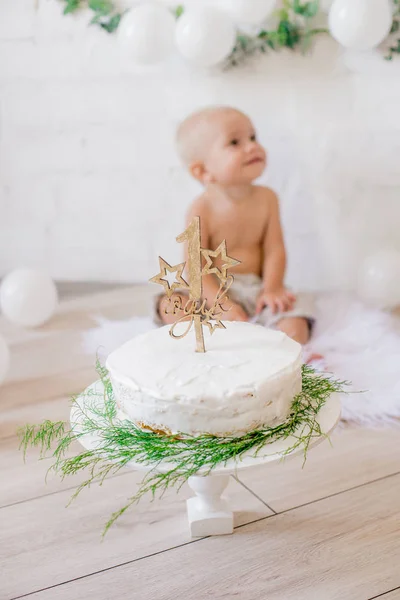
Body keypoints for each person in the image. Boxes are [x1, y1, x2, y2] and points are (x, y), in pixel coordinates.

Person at [154, 106, 315, 346]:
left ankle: (279, 353)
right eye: (234, 142)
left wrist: (272, 288)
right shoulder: (201, 209)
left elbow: (274, 249)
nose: (251, 146)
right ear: (203, 170)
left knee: (295, 319)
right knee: (170, 304)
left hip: (255, 289)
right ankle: (203, 346)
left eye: (253, 137)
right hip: (209, 292)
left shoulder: (267, 198)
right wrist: (223, 306)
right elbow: (196, 271)